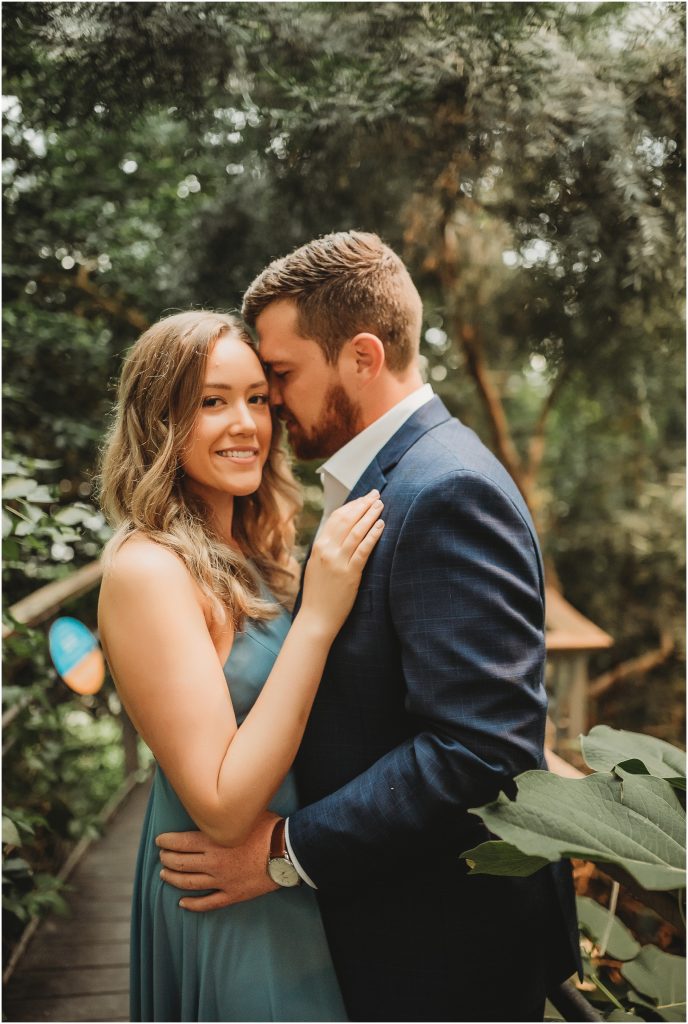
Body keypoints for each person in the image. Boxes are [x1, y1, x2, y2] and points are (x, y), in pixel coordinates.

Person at [157, 232, 582, 1023]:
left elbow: (482, 747)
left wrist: (284, 852)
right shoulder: (387, 476)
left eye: (280, 376)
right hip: (393, 924)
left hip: (443, 949)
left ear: (360, 356)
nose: (270, 404)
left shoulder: (446, 489)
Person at [97, 309, 386, 1022]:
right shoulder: (148, 571)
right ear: (159, 421)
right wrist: (317, 617)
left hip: (285, 879)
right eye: (211, 402)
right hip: (226, 895)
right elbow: (223, 810)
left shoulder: (253, 554)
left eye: (257, 398)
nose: (247, 424)